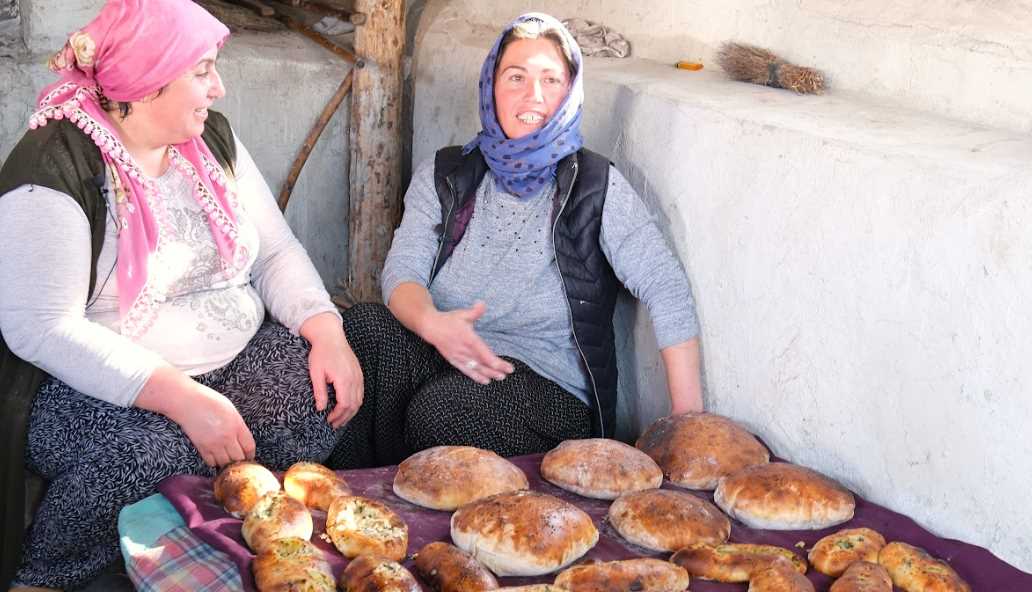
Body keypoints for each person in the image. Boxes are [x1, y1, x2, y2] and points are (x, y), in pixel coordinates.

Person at [0, 0, 363, 588]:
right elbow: (39, 325)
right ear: (147, 79)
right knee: (151, 454)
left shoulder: (209, 140)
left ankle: (213, 537)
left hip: (229, 362)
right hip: (100, 389)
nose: (217, 88)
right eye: (202, 70)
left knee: (321, 390)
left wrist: (326, 329)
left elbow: (275, 252)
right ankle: (47, 574)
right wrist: (180, 398)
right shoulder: (57, 162)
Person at [330, 13, 702, 469]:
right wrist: (433, 324)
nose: (535, 96)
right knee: (365, 329)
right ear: (490, 86)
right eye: (517, 77)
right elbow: (402, 271)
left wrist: (689, 429)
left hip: (544, 386)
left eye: (552, 79)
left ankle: (419, 506)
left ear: (570, 91)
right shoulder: (447, 173)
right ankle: (358, 499)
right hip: (445, 351)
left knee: (443, 412)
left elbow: (665, 286)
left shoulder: (594, 186)